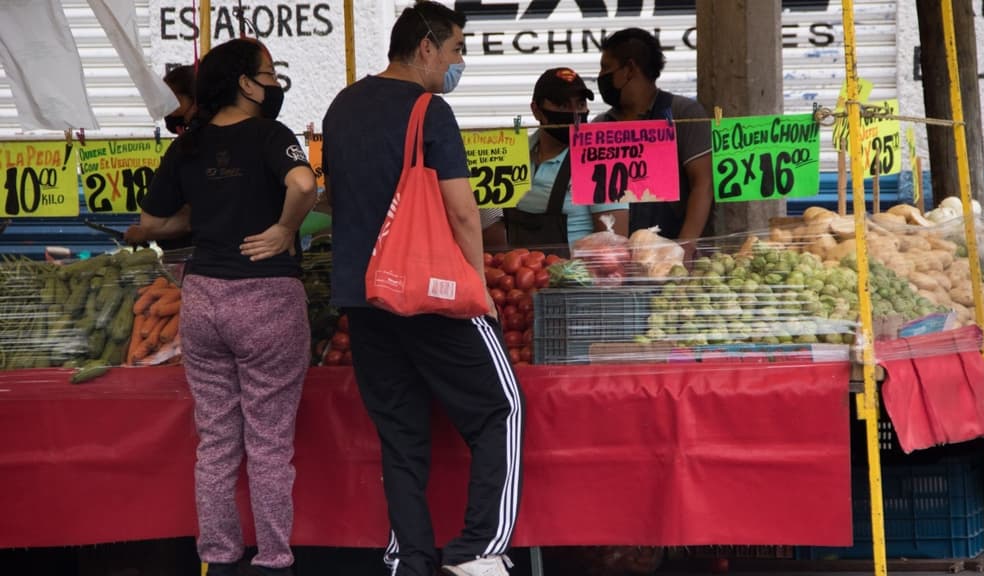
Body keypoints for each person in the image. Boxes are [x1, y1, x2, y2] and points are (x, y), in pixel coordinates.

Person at [321, 2, 523, 576]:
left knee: (400, 433)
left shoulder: (341, 106)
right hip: (431, 294)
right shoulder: (428, 110)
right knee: (501, 409)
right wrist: (479, 291)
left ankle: (409, 560)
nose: (459, 63)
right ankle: (478, 551)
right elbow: (463, 214)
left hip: (363, 298)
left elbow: (336, 200)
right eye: (457, 49)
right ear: (427, 46)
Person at [131, 38, 317, 576]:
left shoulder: (187, 145)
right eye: (268, 73)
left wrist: (206, 214)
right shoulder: (270, 135)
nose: (275, 82)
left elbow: (155, 223)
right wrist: (284, 228)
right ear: (244, 82)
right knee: (268, 442)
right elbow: (304, 183)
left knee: (215, 442)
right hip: (266, 299)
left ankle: (217, 555)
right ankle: (274, 558)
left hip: (204, 298)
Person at [593, 27, 714, 260]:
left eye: (606, 68)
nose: (600, 76)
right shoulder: (600, 126)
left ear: (629, 69)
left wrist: (683, 250)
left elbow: (703, 185)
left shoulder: (683, 113)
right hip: (618, 263)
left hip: (673, 257)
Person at [483, 67, 628, 250]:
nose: (575, 113)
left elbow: (614, 247)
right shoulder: (511, 154)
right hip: (522, 273)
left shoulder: (599, 161)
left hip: (574, 276)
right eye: (562, 105)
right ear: (536, 110)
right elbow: (487, 219)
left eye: (581, 104)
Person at [124, 65, 197, 250]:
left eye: (171, 99)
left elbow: (158, 222)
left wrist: (147, 231)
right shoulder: (186, 144)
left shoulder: (188, 146)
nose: (167, 107)